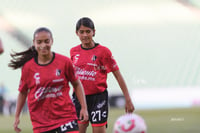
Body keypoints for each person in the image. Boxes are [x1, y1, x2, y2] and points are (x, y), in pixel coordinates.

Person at [9, 27, 88, 133]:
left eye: (46, 41)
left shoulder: (64, 62)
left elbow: (77, 84)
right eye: (39, 42)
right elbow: (23, 92)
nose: (43, 45)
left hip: (66, 117)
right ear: (34, 43)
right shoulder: (28, 68)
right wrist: (17, 116)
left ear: (52, 41)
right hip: (41, 123)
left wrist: (84, 107)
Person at [70, 17, 135, 133]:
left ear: (94, 32)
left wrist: (128, 99)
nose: (85, 35)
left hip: (98, 98)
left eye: (88, 31)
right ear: (76, 33)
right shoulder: (74, 52)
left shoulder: (103, 52)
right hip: (79, 98)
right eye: (81, 32)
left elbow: (118, 75)